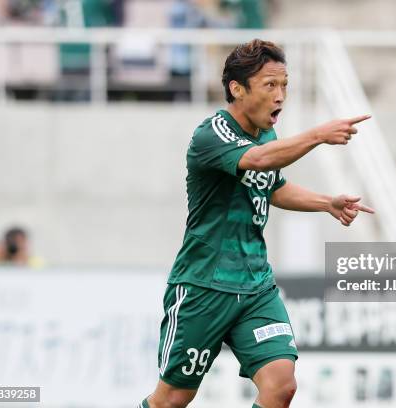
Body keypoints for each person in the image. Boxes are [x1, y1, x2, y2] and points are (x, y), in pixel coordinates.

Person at [138, 39, 374, 408]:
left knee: (282, 385)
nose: (280, 95)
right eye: (270, 85)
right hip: (203, 286)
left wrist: (326, 203)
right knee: (171, 400)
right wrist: (317, 135)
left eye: (285, 85)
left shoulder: (266, 135)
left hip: (255, 287)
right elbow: (258, 161)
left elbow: (273, 186)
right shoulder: (211, 134)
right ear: (237, 88)